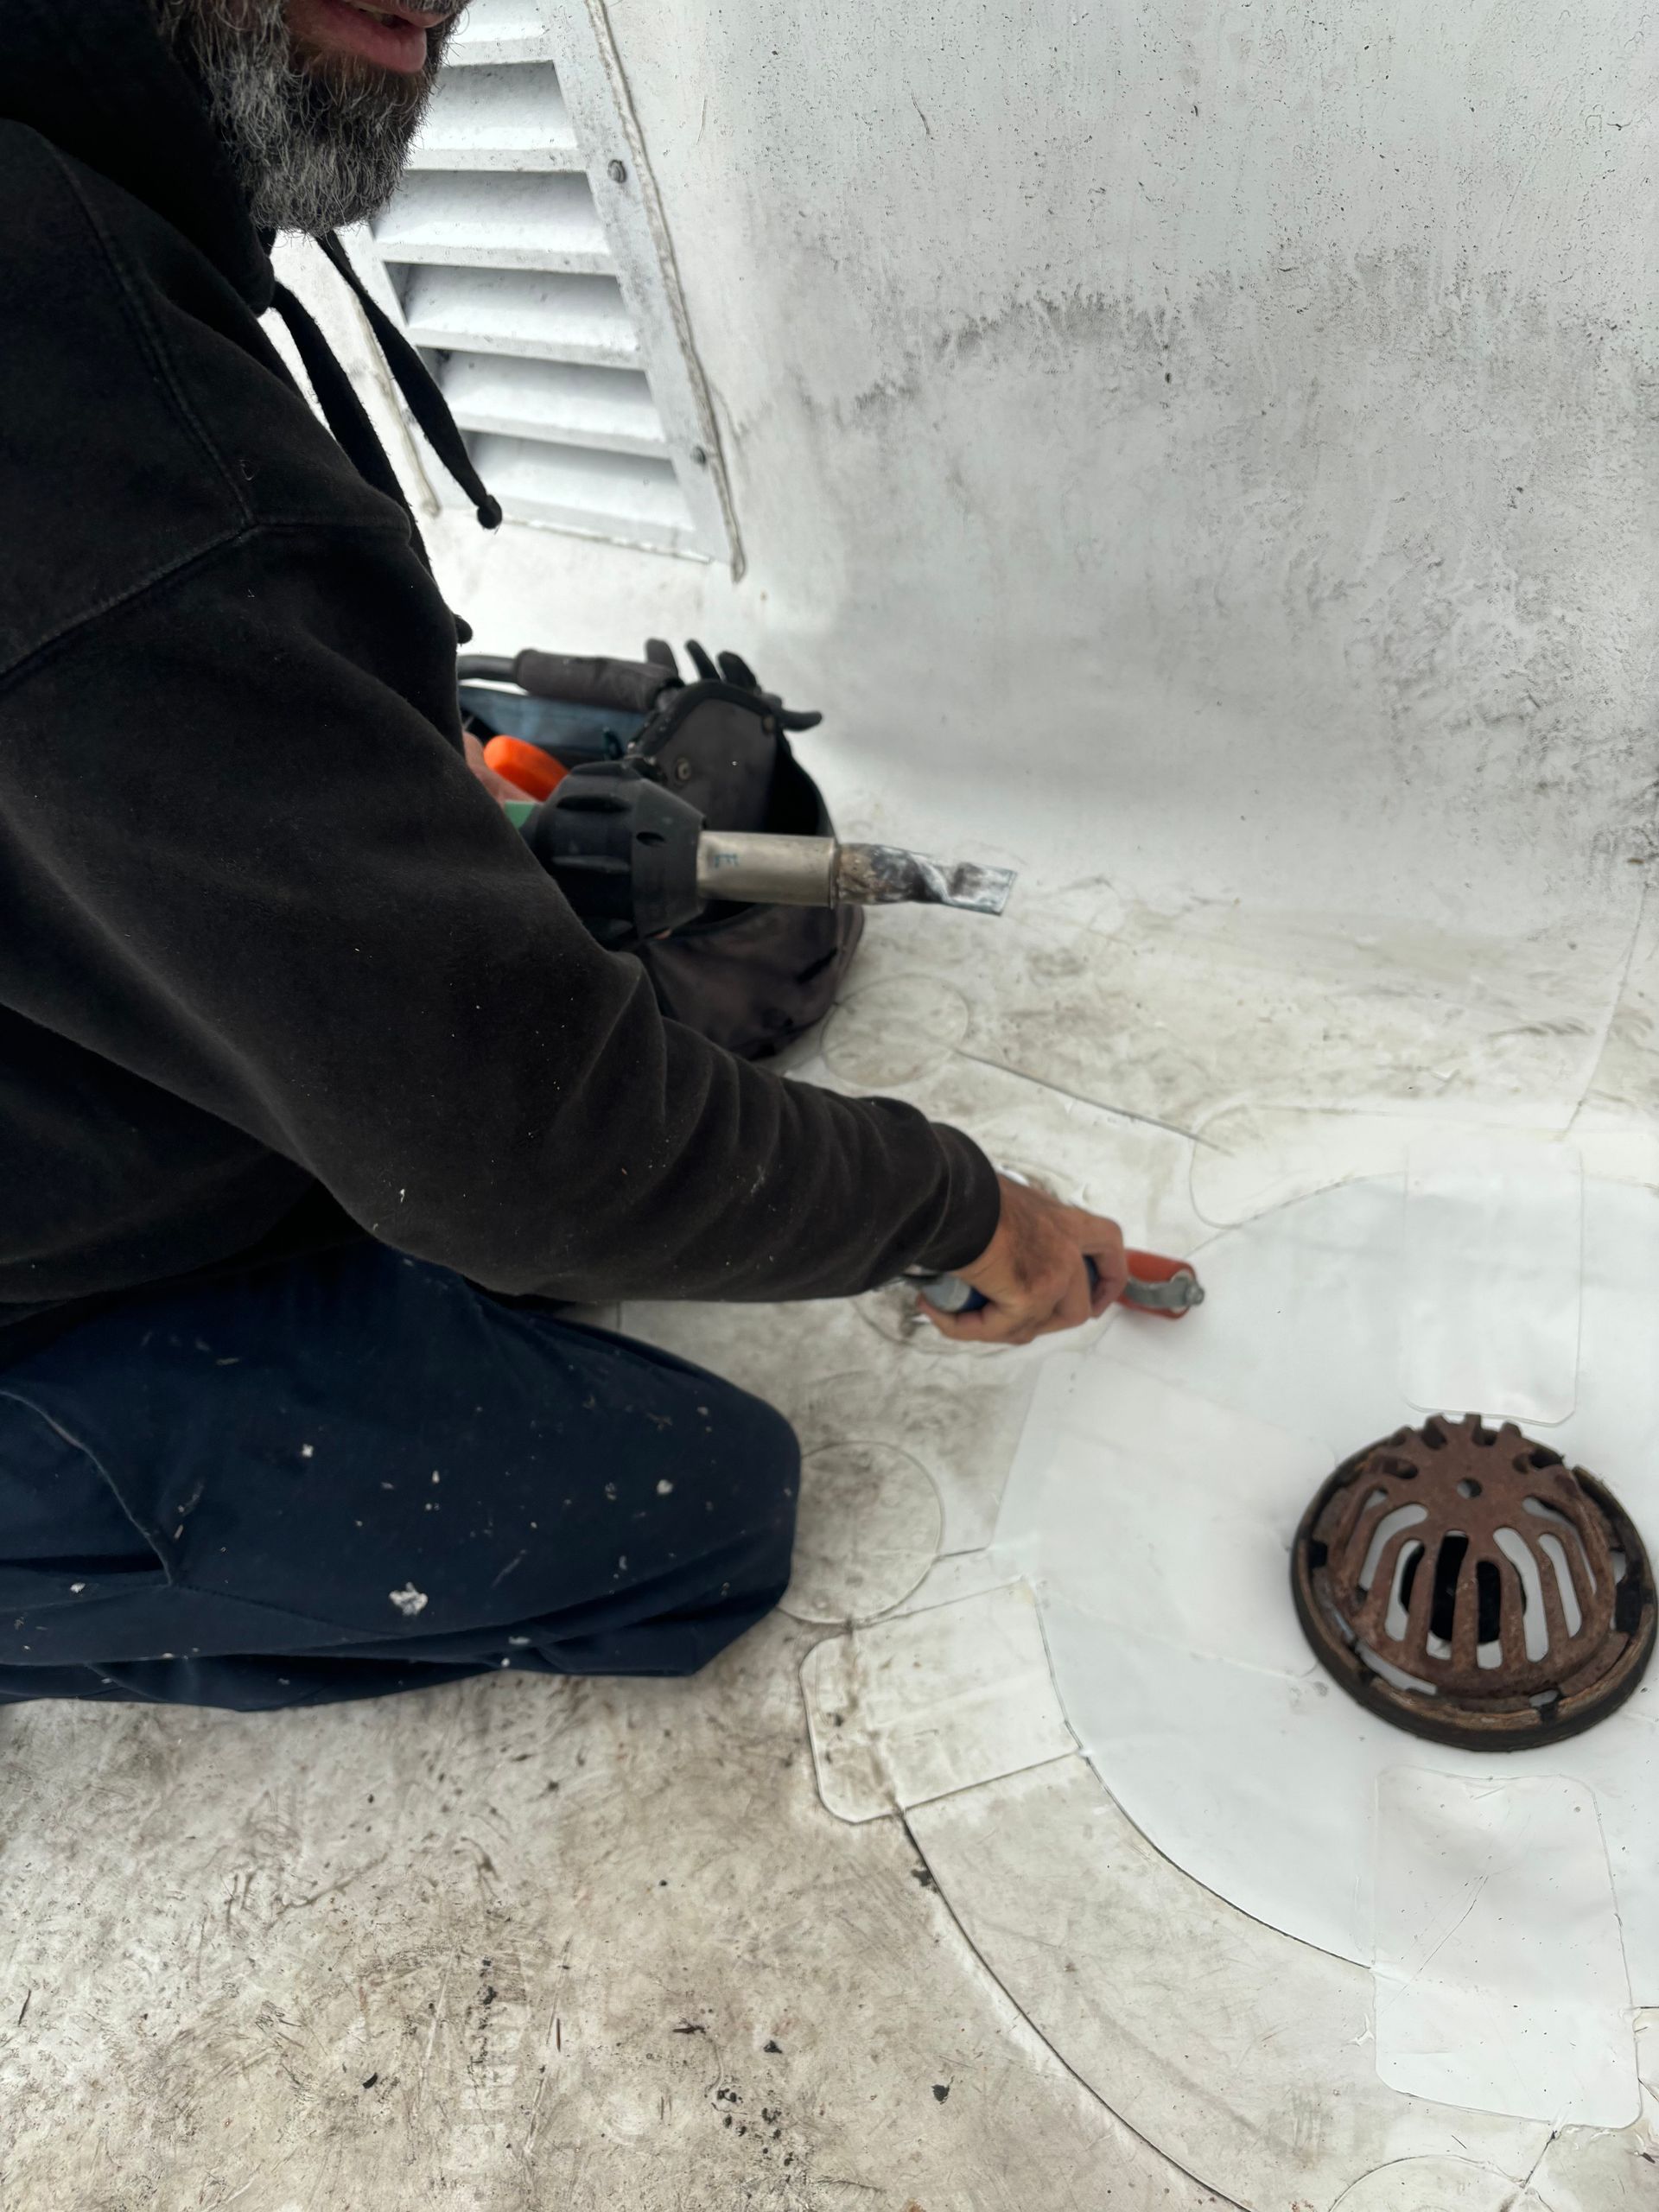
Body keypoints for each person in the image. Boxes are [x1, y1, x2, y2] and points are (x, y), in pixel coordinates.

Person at [0, 0, 1128, 1711]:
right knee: (695, 1511)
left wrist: (390, 775)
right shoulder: (62, 361)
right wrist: (958, 1202)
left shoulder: (87, 229)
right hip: (43, 1294)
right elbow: (521, 1156)